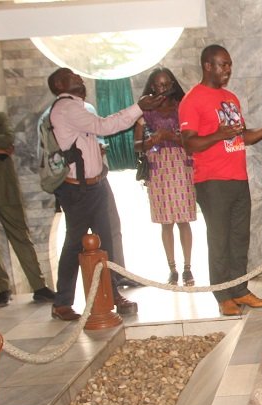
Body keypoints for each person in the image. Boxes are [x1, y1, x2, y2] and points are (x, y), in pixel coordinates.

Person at [46, 68, 162, 321]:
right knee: (75, 243)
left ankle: (111, 293)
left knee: (106, 240)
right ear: (59, 84)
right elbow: (105, 126)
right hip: (78, 189)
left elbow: (90, 134)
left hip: (95, 184)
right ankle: (62, 302)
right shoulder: (66, 107)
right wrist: (139, 107)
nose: (78, 76)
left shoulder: (79, 107)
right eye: (70, 75)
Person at [180, 44, 262, 316]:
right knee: (219, 240)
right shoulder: (192, 100)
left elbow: (241, 136)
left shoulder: (230, 98)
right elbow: (189, 143)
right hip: (212, 182)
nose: (227, 69)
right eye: (222, 65)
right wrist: (218, 135)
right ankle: (223, 296)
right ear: (207, 66)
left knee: (239, 238)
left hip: (238, 178)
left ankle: (240, 290)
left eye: (229, 65)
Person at [0, 87, 56, 307]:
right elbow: (1, 145)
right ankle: (2, 288)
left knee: (21, 237)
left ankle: (39, 287)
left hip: (7, 191)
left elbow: (8, 139)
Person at [134, 68, 196, 287]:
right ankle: (172, 269)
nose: (162, 89)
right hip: (158, 167)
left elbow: (191, 140)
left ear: (172, 84)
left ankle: (188, 268)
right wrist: (149, 143)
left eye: (166, 84)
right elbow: (136, 145)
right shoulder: (145, 112)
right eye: (158, 85)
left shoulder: (182, 107)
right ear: (152, 86)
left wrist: (169, 136)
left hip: (180, 164)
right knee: (166, 222)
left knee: (183, 220)